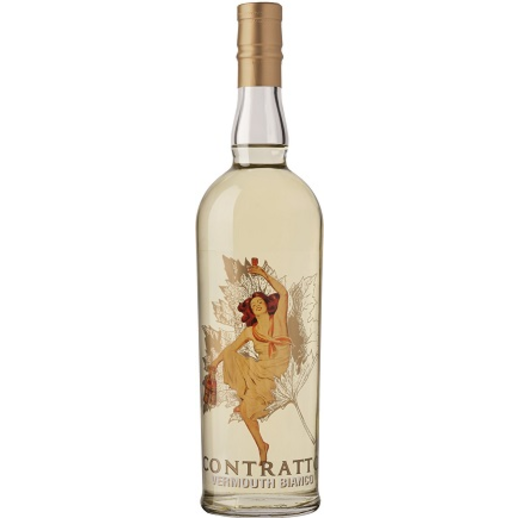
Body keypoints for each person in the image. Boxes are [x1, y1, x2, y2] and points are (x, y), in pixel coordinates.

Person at [210, 265, 291, 464]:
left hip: (277, 368)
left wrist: (263, 274)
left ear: (267, 304)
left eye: (260, 302)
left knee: (247, 410)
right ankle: (262, 445)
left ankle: (248, 400)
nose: (257, 305)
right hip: (261, 369)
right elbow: (230, 348)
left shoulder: (278, 319)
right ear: (251, 311)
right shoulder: (250, 331)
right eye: (253, 305)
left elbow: (283, 293)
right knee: (247, 411)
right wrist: (214, 363)